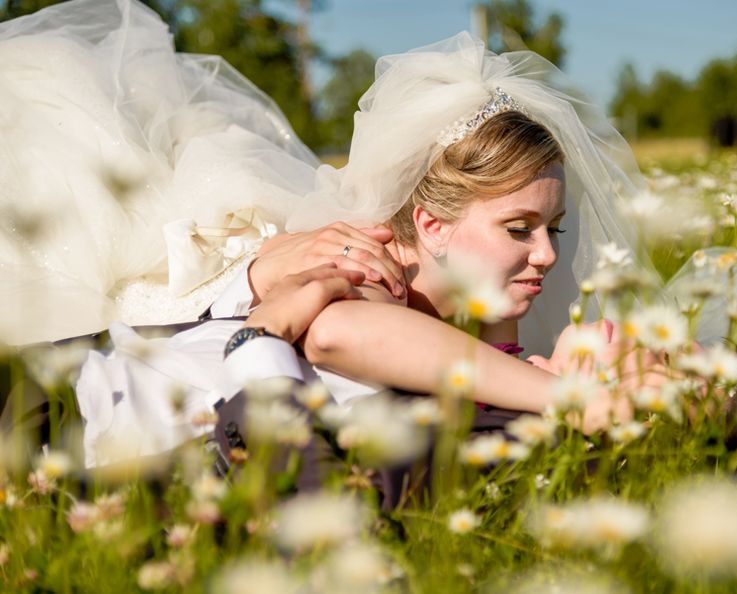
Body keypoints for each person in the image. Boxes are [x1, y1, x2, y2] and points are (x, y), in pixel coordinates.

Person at [1, 0, 669, 467]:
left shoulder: (471, 318)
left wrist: (557, 370)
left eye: (552, 228)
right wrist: (569, 393)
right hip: (54, 403)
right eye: (519, 228)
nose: (548, 255)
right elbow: (338, 334)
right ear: (430, 226)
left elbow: (478, 377)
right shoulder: (367, 270)